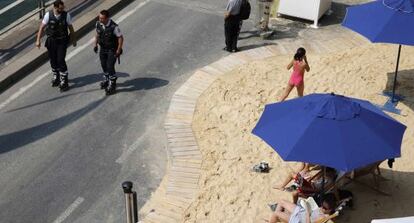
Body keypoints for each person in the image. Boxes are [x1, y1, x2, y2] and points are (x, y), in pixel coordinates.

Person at [36, 0, 76, 91]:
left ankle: (64, 79)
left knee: (60, 59)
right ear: (55, 7)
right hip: (51, 41)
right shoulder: (48, 15)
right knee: (53, 60)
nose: (62, 10)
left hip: (62, 41)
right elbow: (41, 28)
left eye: (63, 8)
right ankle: (56, 75)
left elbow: (71, 28)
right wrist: (38, 40)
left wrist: (74, 39)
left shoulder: (66, 15)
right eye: (60, 8)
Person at [94, 10, 124, 95]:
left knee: (110, 66)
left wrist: (118, 50)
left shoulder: (114, 27)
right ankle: (107, 79)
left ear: (107, 18)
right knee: (103, 65)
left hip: (112, 49)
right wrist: (95, 45)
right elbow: (97, 34)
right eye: (99, 18)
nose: (100, 20)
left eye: (102, 18)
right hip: (103, 49)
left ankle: (112, 83)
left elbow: (120, 38)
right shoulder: (98, 24)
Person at [269, 194, 336, 223]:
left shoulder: (323, 217)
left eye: (324, 208)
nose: (321, 208)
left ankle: (273, 219)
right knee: (281, 201)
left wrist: (307, 210)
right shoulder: (323, 210)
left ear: (330, 210)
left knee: (276, 213)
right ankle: (274, 220)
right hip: (301, 212)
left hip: (299, 220)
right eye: (321, 205)